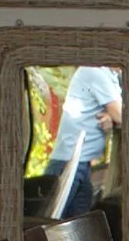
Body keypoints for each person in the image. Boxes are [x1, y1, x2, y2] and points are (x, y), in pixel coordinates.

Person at [42, 64, 123, 218]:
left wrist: (112, 120)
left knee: (78, 225)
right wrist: (114, 117)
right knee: (50, 222)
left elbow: (118, 113)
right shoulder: (95, 71)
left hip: (82, 163)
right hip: (69, 162)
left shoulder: (112, 76)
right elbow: (121, 114)